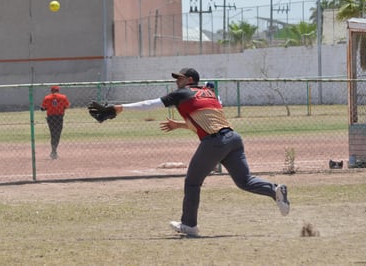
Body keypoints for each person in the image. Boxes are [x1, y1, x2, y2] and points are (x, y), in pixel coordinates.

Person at [112, 68, 290, 237]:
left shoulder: (183, 93)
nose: (177, 81)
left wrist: (121, 107)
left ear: (190, 80)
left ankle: (189, 225)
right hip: (233, 138)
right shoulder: (209, 93)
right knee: (245, 181)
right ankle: (274, 191)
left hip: (214, 142)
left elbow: (149, 104)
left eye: (180, 78)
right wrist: (179, 125)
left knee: (192, 182)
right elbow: (204, 121)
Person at [41, 86, 70, 159]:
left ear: (51, 91)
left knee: (52, 134)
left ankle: (53, 151)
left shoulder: (47, 98)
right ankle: (54, 151)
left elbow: (43, 108)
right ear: (58, 90)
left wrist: (49, 107)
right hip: (59, 118)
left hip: (51, 118)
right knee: (58, 134)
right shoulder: (63, 97)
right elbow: (67, 106)